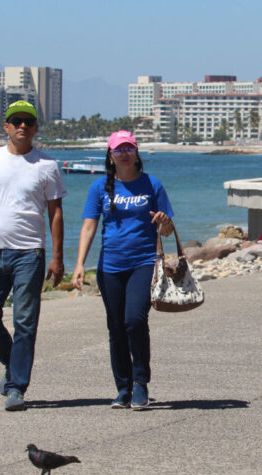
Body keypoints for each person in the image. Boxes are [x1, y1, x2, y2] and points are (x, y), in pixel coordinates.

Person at [0, 100, 66, 411]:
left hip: (30, 254)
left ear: (35, 128)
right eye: (16, 121)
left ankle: (17, 387)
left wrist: (57, 257)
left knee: (25, 322)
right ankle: (12, 364)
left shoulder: (47, 165)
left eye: (28, 122)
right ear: (6, 126)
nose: (22, 126)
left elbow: (56, 213)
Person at [72, 131, 174, 410]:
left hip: (143, 263)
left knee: (134, 320)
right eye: (119, 149)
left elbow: (166, 229)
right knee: (116, 327)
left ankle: (140, 382)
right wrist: (80, 264)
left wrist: (164, 222)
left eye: (130, 148)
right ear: (110, 155)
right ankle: (123, 388)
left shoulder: (152, 185)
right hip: (110, 267)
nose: (125, 153)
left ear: (137, 153)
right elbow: (90, 225)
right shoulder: (99, 188)